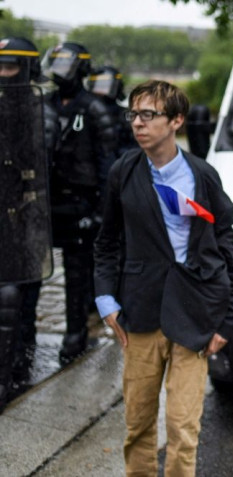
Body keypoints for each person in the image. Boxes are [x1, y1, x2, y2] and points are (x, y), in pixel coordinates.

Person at [93, 80, 233, 476]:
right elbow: (106, 242)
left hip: (194, 313)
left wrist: (228, 318)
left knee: (182, 427)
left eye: (148, 115)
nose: (137, 124)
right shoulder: (122, 172)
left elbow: (226, 245)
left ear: (176, 120)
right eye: (133, 115)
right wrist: (106, 302)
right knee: (138, 424)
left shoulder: (203, 176)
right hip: (140, 313)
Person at [38, 42, 119, 364]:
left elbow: (107, 162)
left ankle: (75, 335)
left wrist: (100, 211)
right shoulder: (45, 103)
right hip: (47, 201)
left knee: (77, 274)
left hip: (81, 204)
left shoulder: (94, 108)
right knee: (33, 275)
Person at [0, 36, 55, 411]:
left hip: (25, 218)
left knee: (19, 295)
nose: (4, 74)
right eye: (0, 66)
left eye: (11, 67)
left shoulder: (40, 112)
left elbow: (41, 166)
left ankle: (16, 370)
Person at [86, 65, 138, 155]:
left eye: (104, 86)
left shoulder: (125, 115)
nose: (100, 91)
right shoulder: (83, 112)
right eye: (98, 86)